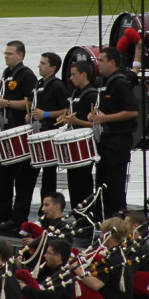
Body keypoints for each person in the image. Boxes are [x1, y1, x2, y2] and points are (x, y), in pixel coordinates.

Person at [0, 40, 39, 231]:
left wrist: (6, 103)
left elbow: (31, 103)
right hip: (4, 130)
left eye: (10, 53)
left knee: (21, 175)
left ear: (20, 55)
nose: (6, 56)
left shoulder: (27, 75)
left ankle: (19, 216)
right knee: (2, 173)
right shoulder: (7, 74)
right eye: (5, 53)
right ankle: (3, 211)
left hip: (19, 130)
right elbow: (4, 98)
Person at [89, 47, 138, 220]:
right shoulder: (103, 81)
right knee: (102, 183)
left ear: (112, 62)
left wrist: (105, 119)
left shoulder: (120, 82)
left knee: (115, 184)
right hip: (104, 139)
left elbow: (132, 111)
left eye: (101, 60)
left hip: (118, 139)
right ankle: (103, 218)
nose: (98, 64)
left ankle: (118, 220)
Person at [28, 52, 69, 198]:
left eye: (43, 63)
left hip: (50, 132)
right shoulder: (39, 83)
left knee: (49, 174)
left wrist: (45, 114)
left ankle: (47, 206)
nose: (39, 65)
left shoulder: (57, 85)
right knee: (29, 172)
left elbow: (67, 110)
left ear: (53, 68)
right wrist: (31, 116)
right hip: (36, 132)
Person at [59, 60, 97, 213]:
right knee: (73, 181)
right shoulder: (75, 93)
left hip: (85, 144)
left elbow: (96, 125)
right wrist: (65, 118)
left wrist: (76, 121)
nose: (71, 78)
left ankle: (87, 213)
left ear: (84, 74)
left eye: (74, 75)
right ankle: (77, 211)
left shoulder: (92, 94)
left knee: (83, 182)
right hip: (74, 143)